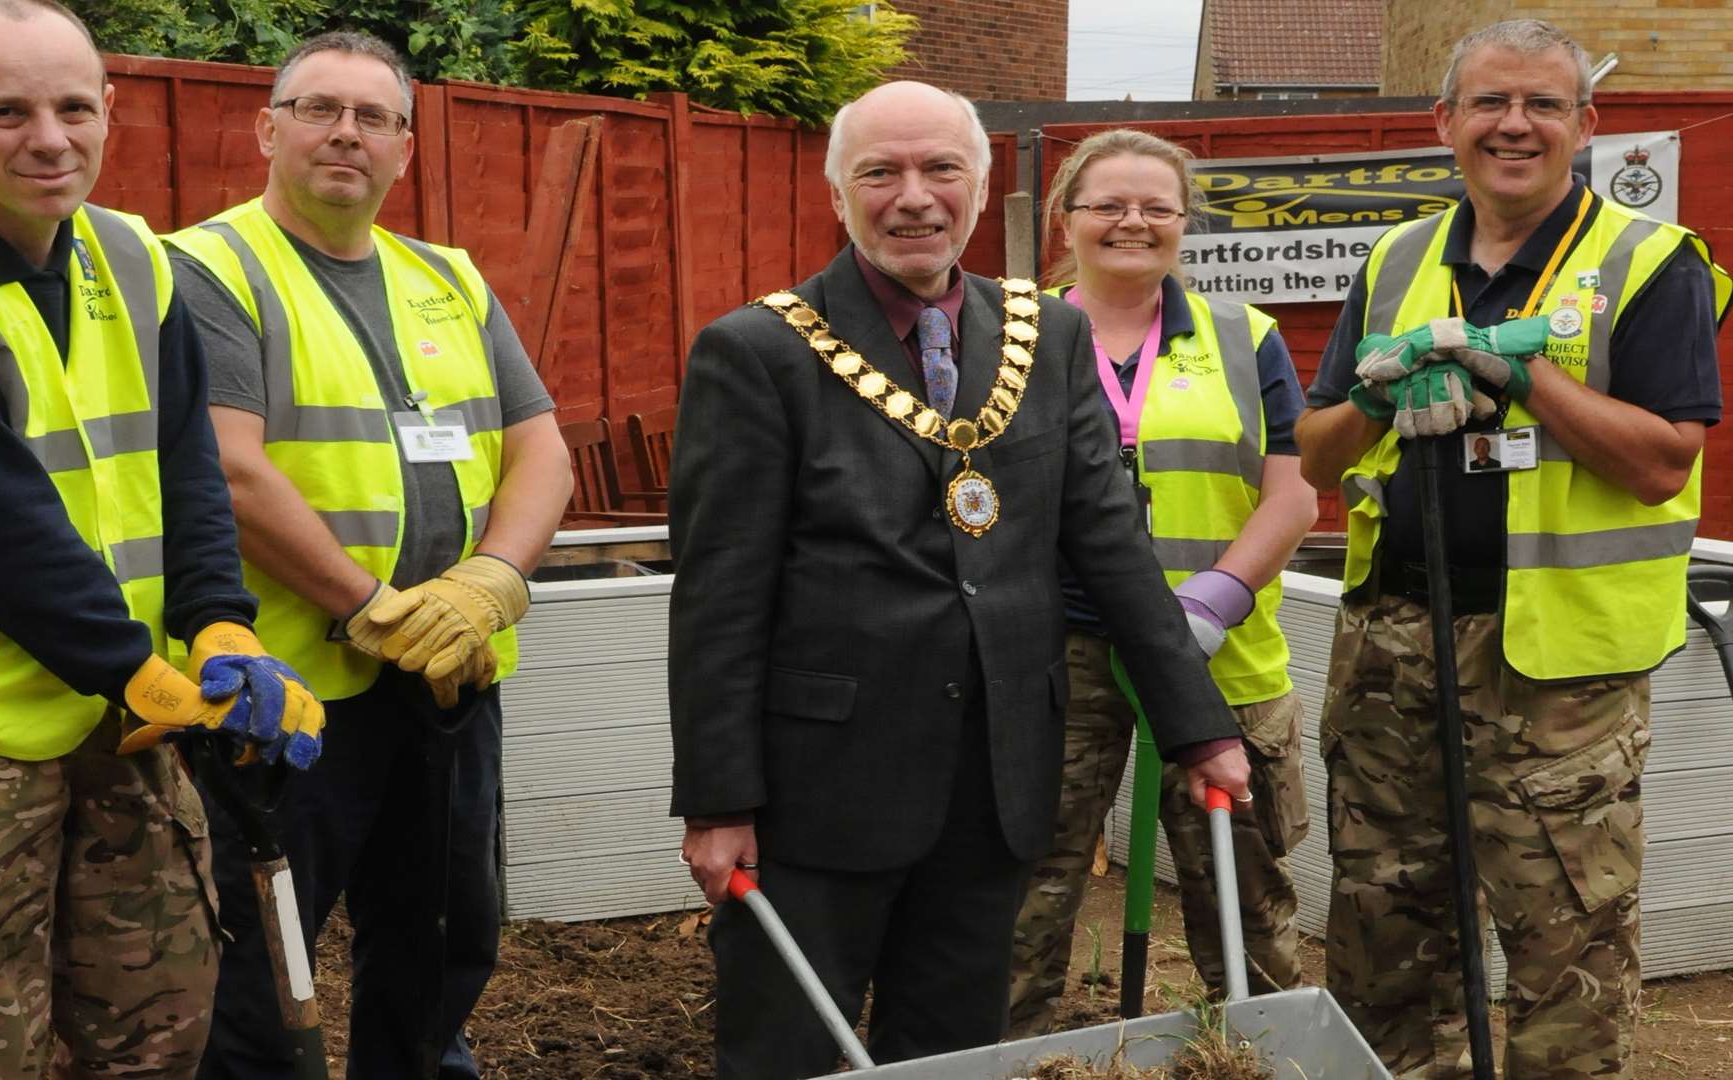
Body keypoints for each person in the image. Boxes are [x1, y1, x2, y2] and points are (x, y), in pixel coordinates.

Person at [668, 81, 1253, 1080]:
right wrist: (718, 802)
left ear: (982, 188)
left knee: (952, 1052)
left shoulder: (1044, 336)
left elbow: (1106, 540)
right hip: (818, 792)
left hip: (995, 780)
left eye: (942, 168)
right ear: (837, 191)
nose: (914, 197)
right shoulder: (759, 351)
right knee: (789, 1052)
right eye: (881, 172)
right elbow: (721, 595)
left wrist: (1197, 725)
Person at [0, 0, 328, 1075]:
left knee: (158, 1029)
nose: (48, 138)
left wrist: (219, 623)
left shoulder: (134, 260)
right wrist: (135, 669)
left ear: (110, 110)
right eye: (5, 111)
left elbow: (183, 464)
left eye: (70, 107)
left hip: (117, 711)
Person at [1296, 19, 1728, 1078]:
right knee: (1381, 942)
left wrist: (1521, 375)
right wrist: (1378, 394)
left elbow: (1664, 462)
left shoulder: (1649, 262)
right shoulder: (1397, 258)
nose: (1514, 124)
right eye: (1490, 102)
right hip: (1395, 648)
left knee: (1564, 959)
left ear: (1586, 125)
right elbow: (1316, 456)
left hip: (1561, 681)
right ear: (1444, 122)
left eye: (1542, 104)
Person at [164, 31, 572, 1080]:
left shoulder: (449, 278)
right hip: (284, 703)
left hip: (450, 682)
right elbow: (230, 469)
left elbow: (541, 449)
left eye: (374, 117)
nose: (346, 133)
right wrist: (373, 609)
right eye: (317, 109)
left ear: (405, 146)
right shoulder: (208, 269)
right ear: (267, 129)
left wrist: (494, 584)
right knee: (261, 970)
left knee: (445, 940)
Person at [1006, 129, 1320, 1034]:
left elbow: (1292, 497)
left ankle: (1259, 1053)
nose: (1131, 221)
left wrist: (1213, 600)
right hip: (1056, 653)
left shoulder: (1242, 336)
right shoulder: (1009, 335)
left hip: (1218, 653)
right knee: (1025, 893)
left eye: (1156, 206)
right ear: (1066, 220)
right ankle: (1004, 1054)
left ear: (1186, 222)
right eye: (1107, 204)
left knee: (1246, 896)